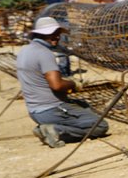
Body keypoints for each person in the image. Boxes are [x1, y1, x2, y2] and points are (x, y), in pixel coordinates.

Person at [15, 16, 108, 148]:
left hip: (35, 111)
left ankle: (48, 128)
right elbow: (57, 85)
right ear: (39, 34)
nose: (56, 37)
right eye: (51, 34)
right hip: (52, 109)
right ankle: (57, 130)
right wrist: (73, 84)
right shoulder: (44, 53)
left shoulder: (24, 51)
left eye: (57, 34)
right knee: (100, 126)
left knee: (83, 106)